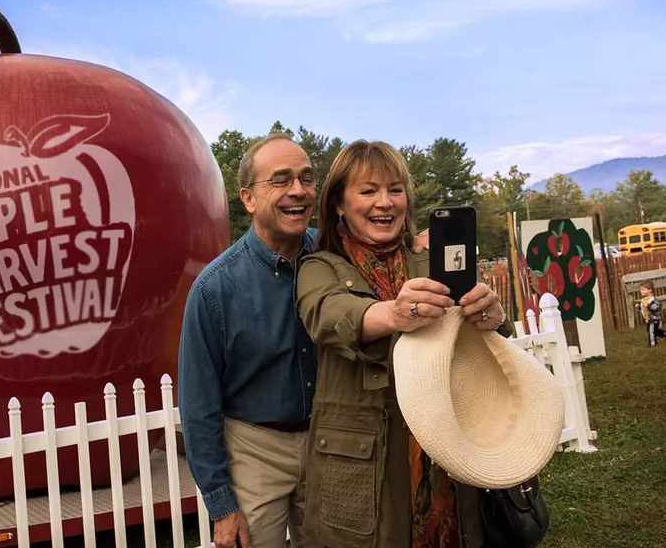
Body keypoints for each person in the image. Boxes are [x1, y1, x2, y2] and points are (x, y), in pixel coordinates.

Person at [295, 139, 515, 547]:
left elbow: (484, 349)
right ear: (339, 204)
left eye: (395, 189)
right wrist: (395, 313)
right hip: (364, 467)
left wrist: (494, 320)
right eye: (368, 190)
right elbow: (329, 314)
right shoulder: (319, 267)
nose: (385, 202)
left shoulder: (430, 260)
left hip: (447, 455)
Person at [177, 133, 320, 548]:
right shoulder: (214, 290)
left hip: (330, 443)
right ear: (248, 198)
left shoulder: (335, 257)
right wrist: (222, 504)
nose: (298, 190)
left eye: (306, 178)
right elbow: (199, 406)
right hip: (254, 450)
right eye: (280, 180)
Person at [639, 280, 665, 347]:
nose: (641, 291)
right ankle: (664, 333)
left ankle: (652, 344)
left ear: (650, 290)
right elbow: (644, 308)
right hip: (648, 319)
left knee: (651, 332)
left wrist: (648, 305)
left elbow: (656, 308)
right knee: (654, 331)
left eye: (643, 289)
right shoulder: (644, 300)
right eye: (641, 290)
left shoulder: (653, 300)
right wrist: (639, 306)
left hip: (654, 319)